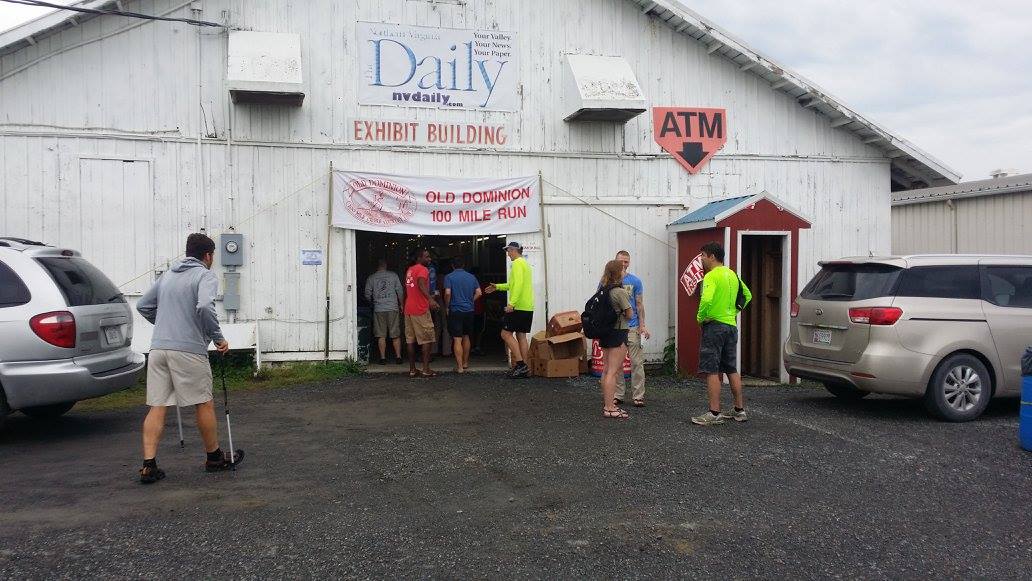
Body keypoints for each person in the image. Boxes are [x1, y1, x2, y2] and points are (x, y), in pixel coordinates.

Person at [135, 233, 242, 484]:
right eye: (212, 255)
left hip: (159, 348)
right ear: (208, 255)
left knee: (157, 405)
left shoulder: (168, 276)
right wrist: (217, 338)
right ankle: (214, 457)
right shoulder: (204, 275)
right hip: (189, 349)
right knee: (203, 402)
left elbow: (143, 305)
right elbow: (205, 306)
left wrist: (162, 324)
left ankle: (148, 465)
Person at [691, 241, 752, 426]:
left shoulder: (711, 276)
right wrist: (733, 312)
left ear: (711, 256)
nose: (701, 259)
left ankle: (714, 412)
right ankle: (739, 410)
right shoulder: (732, 274)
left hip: (714, 326)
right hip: (731, 326)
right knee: (731, 368)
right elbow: (747, 295)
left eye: (702, 255)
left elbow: (706, 299)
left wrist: (700, 318)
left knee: (711, 369)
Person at [485, 242, 534, 378]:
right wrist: (498, 287)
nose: (507, 254)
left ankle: (520, 364)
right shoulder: (525, 264)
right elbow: (513, 285)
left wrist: (512, 304)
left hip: (517, 307)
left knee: (505, 334)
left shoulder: (517, 264)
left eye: (508, 251)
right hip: (527, 306)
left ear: (514, 250)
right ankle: (525, 368)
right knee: (521, 336)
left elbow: (517, 285)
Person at [613, 250, 650, 408]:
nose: (623, 264)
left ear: (629, 263)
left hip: (633, 326)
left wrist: (642, 325)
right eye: (620, 261)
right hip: (615, 327)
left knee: (637, 363)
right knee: (617, 364)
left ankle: (638, 396)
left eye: (626, 261)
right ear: (615, 261)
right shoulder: (607, 281)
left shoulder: (635, 281)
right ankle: (618, 395)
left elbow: (640, 304)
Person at [598, 260, 634, 419]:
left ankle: (607, 404)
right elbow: (629, 314)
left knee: (606, 370)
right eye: (623, 269)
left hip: (605, 333)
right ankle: (610, 407)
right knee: (613, 371)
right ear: (618, 273)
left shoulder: (603, 289)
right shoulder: (619, 292)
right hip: (618, 332)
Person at [405, 249, 439, 377]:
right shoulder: (423, 270)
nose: (429, 259)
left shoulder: (410, 270)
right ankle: (425, 369)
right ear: (419, 257)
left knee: (410, 340)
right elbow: (420, 284)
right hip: (420, 309)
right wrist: (430, 300)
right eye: (427, 257)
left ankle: (412, 369)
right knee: (427, 339)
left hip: (409, 309)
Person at [443, 256, 482, 373]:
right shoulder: (472, 277)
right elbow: (479, 293)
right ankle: (465, 363)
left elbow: (448, 293)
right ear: (464, 265)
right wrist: (470, 301)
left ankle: (459, 367)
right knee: (466, 336)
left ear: (452, 265)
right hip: (469, 310)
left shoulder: (449, 277)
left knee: (457, 338)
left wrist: (447, 306)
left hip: (455, 310)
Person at [364, 258, 404, 365]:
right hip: (392, 308)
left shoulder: (371, 278)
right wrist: (401, 304)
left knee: (381, 335)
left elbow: (367, 294)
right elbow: (400, 291)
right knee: (395, 334)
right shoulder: (393, 275)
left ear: (376, 266)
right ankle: (398, 357)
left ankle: (382, 358)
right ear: (385, 265)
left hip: (379, 309)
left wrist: (373, 302)